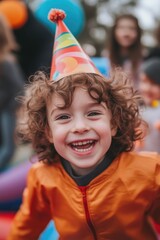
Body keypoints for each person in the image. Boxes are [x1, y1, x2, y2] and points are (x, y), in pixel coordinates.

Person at [8, 9, 160, 240]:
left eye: (93, 113)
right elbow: (26, 226)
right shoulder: (43, 177)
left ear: (114, 123)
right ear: (47, 131)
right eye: (63, 117)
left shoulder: (149, 173)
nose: (80, 126)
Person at [0, 14, 25, 169]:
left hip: (5, 111)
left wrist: (10, 110)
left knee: (8, 149)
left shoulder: (6, 63)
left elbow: (19, 90)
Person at [107, 14, 143, 89]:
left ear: (138, 33)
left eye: (131, 28)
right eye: (121, 28)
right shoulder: (105, 58)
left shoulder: (145, 59)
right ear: (114, 31)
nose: (126, 33)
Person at [135, 58, 160, 153]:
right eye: (144, 81)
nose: (147, 88)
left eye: (153, 83)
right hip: (140, 159)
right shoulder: (137, 108)